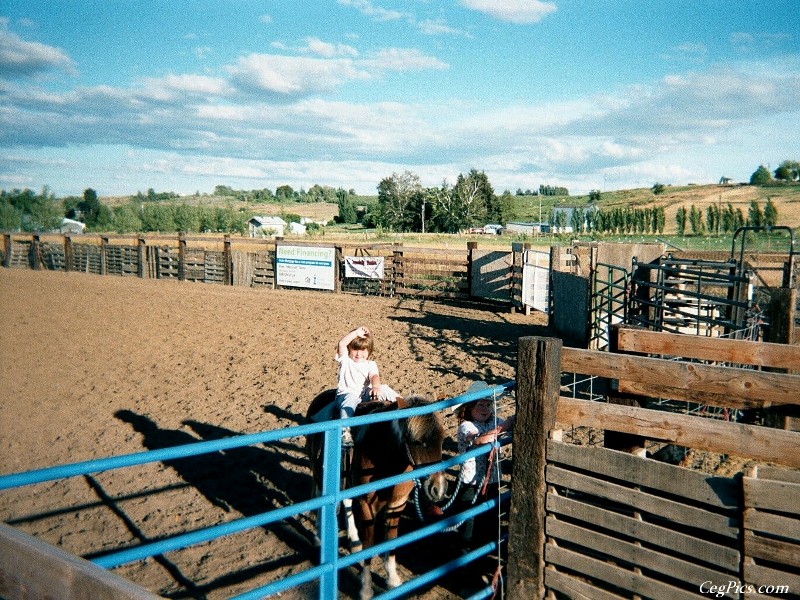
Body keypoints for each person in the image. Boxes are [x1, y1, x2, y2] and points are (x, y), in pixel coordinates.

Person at [455, 383, 514, 546]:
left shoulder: (493, 421)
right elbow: (480, 440)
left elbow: (510, 428)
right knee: (469, 525)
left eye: (488, 404)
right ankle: (465, 555)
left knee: (489, 520)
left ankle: (482, 552)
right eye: (480, 404)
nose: (485, 408)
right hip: (470, 484)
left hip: (492, 481)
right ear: (469, 407)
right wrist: (504, 426)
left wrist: (511, 422)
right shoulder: (465, 427)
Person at [335, 326, 398, 447]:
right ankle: (345, 431)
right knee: (351, 399)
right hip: (346, 394)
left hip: (364, 394)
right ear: (349, 349)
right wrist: (355, 333)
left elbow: (374, 376)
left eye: (363, 350)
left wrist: (375, 387)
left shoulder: (370, 364)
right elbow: (341, 343)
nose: (359, 354)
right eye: (355, 349)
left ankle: (406, 406)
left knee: (384, 388)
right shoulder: (345, 360)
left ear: (369, 351)